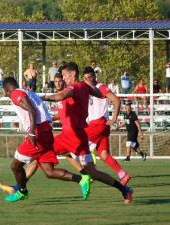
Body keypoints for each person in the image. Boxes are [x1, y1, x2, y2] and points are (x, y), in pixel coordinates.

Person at [42, 62, 133, 204]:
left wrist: (40, 97)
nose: (64, 78)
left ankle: (22, 188)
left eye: (65, 76)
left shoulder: (74, 87)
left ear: (73, 74)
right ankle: (123, 189)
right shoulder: (83, 87)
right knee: (94, 171)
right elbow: (98, 94)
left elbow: (59, 97)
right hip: (74, 136)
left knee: (41, 151)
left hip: (74, 136)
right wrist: (89, 87)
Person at [2, 76, 91, 202]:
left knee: (15, 166)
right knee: (49, 172)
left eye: (4, 91)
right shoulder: (29, 92)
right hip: (46, 131)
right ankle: (82, 179)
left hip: (38, 132)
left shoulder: (16, 93)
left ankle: (22, 191)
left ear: (6, 89)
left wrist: (32, 132)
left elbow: (31, 111)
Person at [83, 67, 131, 186]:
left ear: (94, 77)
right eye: (85, 78)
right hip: (101, 126)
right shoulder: (88, 89)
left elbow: (116, 100)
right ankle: (123, 175)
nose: (88, 80)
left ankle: (91, 175)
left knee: (78, 145)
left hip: (98, 124)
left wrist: (114, 118)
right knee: (103, 154)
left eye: (90, 77)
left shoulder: (101, 87)